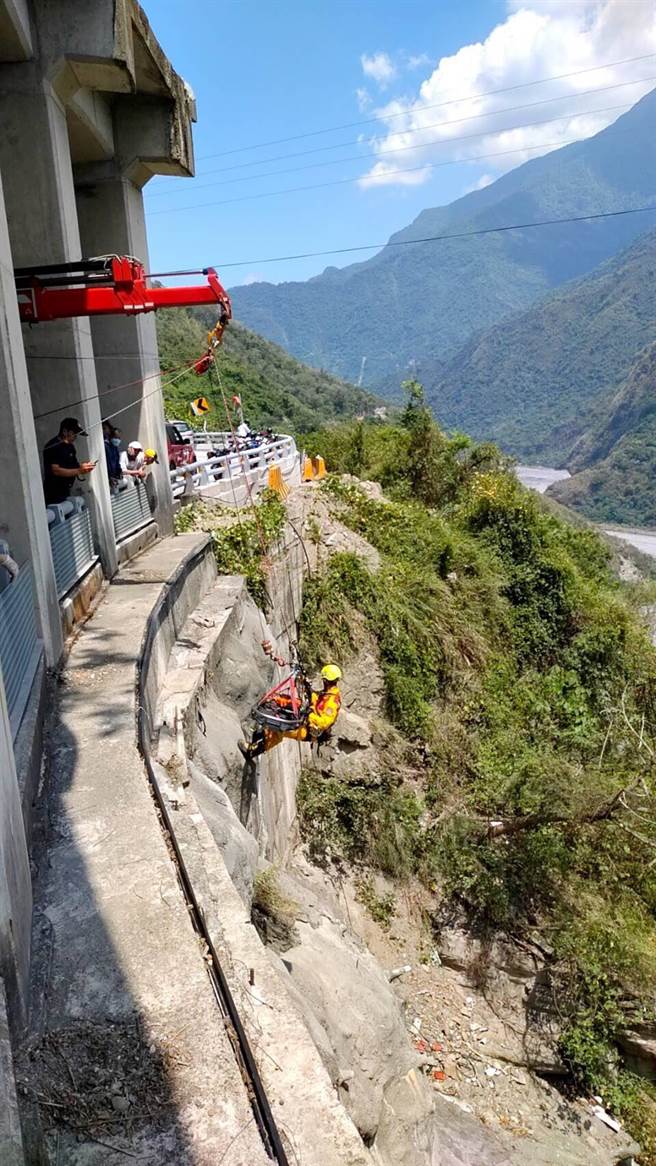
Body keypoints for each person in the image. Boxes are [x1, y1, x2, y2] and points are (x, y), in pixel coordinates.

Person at [240, 664, 342, 759]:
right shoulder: (328, 693)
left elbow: (323, 723)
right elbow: (317, 702)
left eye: (324, 680)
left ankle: (251, 751)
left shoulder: (332, 702)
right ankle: (256, 737)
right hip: (305, 719)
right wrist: (310, 692)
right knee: (287, 704)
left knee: (280, 729)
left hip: (308, 730)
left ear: (326, 680)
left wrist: (310, 714)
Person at [43, 417, 96, 505]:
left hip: (66, 490)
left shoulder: (70, 447)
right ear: (64, 431)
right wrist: (79, 470)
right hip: (54, 492)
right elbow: (56, 470)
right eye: (74, 433)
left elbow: (74, 466)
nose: (75, 437)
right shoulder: (53, 446)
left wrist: (84, 467)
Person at [103, 421, 123, 492]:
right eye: (116, 437)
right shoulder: (105, 446)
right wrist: (109, 477)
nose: (117, 439)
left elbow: (117, 462)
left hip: (114, 478)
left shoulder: (114, 447)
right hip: (109, 479)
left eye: (119, 438)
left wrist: (119, 472)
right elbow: (106, 464)